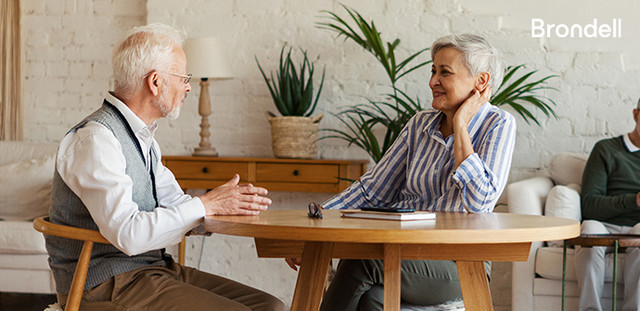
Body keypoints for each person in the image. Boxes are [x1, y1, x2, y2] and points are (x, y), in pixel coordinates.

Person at [45, 23, 286, 311]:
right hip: (103, 285)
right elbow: (129, 235)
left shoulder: (143, 138)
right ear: (155, 82)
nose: (187, 86)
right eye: (183, 77)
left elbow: (178, 203)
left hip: (150, 270)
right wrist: (205, 205)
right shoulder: (96, 140)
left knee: (270, 306)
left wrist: (226, 206)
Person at [286, 33, 516, 310]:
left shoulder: (498, 124)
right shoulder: (419, 124)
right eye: (433, 71)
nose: (433, 81)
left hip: (459, 263)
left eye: (445, 72)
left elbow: (479, 202)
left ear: (480, 82)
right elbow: (372, 189)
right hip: (404, 250)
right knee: (371, 301)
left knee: (364, 258)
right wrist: (312, 226)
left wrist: (462, 126)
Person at [575, 99, 640, 311]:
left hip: (638, 226)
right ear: (636, 114)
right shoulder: (606, 150)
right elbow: (590, 205)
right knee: (589, 231)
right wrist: (635, 200)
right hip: (603, 223)